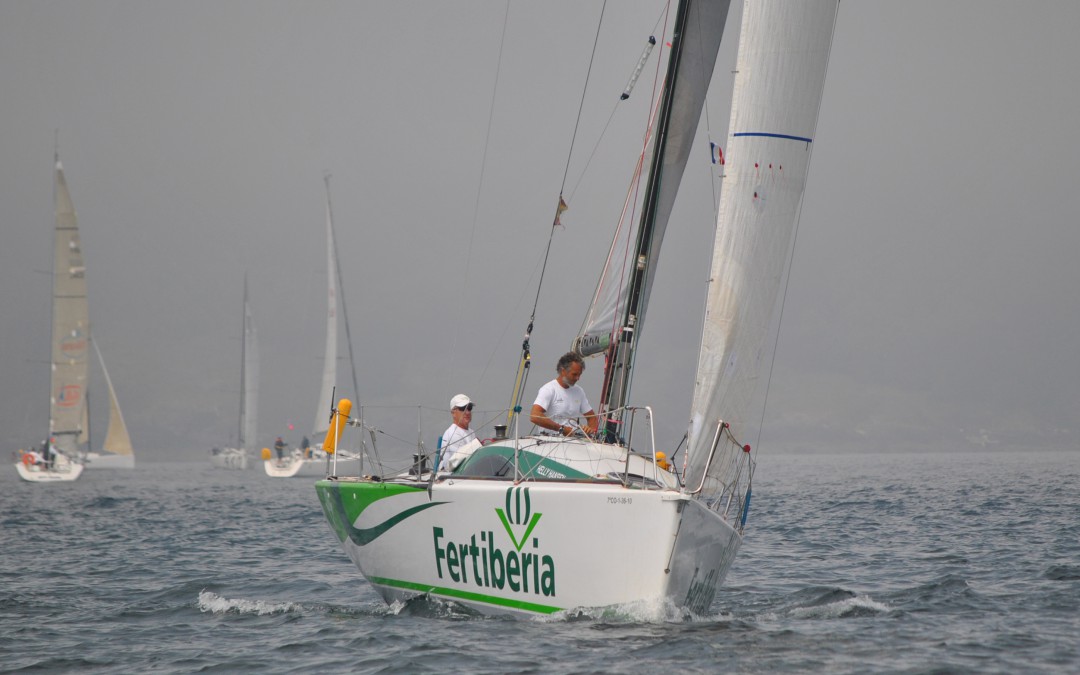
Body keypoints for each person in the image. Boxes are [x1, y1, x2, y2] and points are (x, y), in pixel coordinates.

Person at [530, 351, 598, 437]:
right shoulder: (548, 389)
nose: (578, 378)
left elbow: (592, 418)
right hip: (549, 441)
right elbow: (534, 416)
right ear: (563, 371)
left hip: (573, 441)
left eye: (579, 375)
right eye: (574, 374)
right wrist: (561, 429)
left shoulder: (579, 391)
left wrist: (590, 430)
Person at [439, 394, 479, 471]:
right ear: (453, 412)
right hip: (452, 478)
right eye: (463, 408)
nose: (467, 412)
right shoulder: (452, 434)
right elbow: (461, 464)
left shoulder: (471, 432)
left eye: (469, 408)